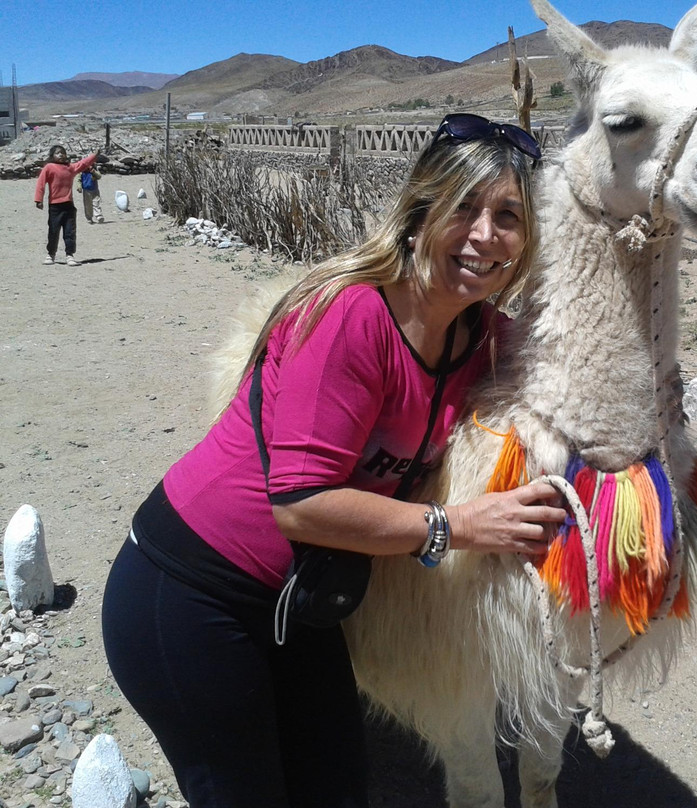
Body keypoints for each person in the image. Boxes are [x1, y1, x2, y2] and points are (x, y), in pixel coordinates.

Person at [100, 113, 564, 808]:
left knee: (336, 790)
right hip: (192, 594)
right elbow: (301, 502)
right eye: (463, 207)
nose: (485, 235)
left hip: (303, 604)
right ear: (419, 211)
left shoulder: (483, 337)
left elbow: (579, 367)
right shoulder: (354, 315)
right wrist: (462, 526)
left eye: (508, 216)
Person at [34, 144, 100, 265]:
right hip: (54, 206)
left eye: (63, 152)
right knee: (53, 231)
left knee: (70, 232)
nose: (61, 155)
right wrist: (39, 200)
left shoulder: (70, 168)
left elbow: (83, 163)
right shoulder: (49, 167)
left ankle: (69, 255)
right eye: (57, 153)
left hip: (69, 206)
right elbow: (41, 183)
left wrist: (94, 155)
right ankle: (51, 255)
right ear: (52, 156)